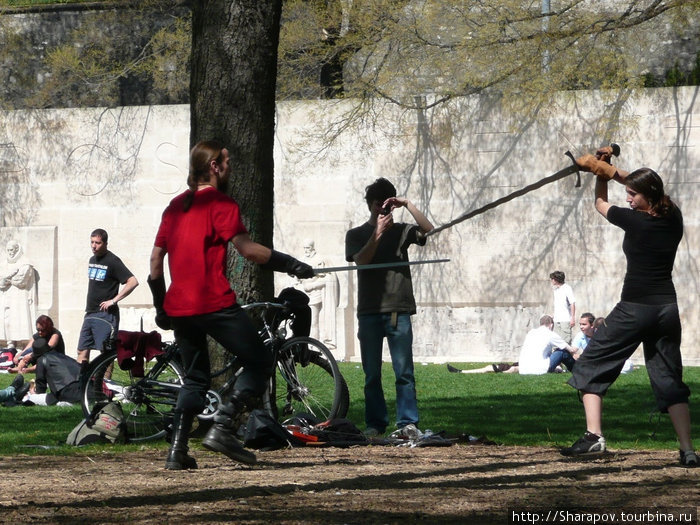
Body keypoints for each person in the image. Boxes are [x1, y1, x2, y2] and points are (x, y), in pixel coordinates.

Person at [148, 140, 315, 470]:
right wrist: (292, 264)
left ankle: (177, 452)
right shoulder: (220, 204)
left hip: (181, 308)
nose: (230, 168)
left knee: (195, 380)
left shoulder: (174, 207)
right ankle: (223, 428)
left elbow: (155, 261)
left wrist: (160, 306)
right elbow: (249, 250)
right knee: (261, 360)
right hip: (212, 303)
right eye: (227, 162)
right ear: (214, 167)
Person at [561, 150, 697, 467]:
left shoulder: (633, 221)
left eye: (633, 195)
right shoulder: (672, 216)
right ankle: (688, 450)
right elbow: (645, 186)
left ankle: (594, 437)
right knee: (669, 378)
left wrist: (600, 175)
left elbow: (599, 204)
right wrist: (608, 168)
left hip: (634, 309)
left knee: (589, 364)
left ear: (646, 196)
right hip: (666, 310)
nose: (629, 199)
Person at [344, 177, 434, 438]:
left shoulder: (402, 231)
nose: (381, 210)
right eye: (377, 205)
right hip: (369, 312)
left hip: (398, 309)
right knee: (371, 374)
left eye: (385, 205)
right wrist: (378, 233)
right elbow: (361, 261)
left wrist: (407, 204)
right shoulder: (356, 234)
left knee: (404, 371)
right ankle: (375, 424)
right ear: (370, 205)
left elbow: (428, 228)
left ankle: (408, 422)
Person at [77, 229, 139, 365]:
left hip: (106, 314)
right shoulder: (92, 260)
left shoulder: (113, 261)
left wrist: (113, 300)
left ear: (105, 243)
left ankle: (103, 384)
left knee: (105, 353)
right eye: (92, 242)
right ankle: (82, 383)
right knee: (82, 350)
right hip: (90, 312)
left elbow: (133, 282)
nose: (94, 246)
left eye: (97, 243)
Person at [293, 238, 339, 344]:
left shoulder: (320, 260)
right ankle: (302, 344)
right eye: (304, 248)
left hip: (315, 295)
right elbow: (296, 279)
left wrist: (312, 286)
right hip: (301, 294)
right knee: (301, 321)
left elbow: (328, 278)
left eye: (308, 248)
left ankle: (313, 345)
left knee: (313, 322)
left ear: (313, 247)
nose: (306, 250)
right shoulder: (302, 259)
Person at [0, 240, 38, 346]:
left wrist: (8, 279)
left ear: (17, 249)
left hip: (19, 297)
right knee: (6, 320)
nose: (10, 252)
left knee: (18, 320)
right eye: (8, 250)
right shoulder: (4, 263)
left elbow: (21, 279)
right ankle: (9, 343)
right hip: (6, 296)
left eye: (12, 250)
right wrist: (6, 279)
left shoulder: (25, 263)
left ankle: (21, 345)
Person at [21, 339, 81, 406]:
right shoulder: (64, 357)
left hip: (67, 393)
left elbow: (41, 384)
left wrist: (34, 393)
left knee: (31, 397)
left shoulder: (42, 360)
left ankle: (66, 402)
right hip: (86, 390)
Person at [549, 270, 576, 344]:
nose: (551, 280)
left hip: (565, 319)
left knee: (566, 342)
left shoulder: (567, 288)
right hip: (556, 320)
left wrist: (572, 318)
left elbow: (572, 303)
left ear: (556, 279)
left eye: (552, 279)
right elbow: (558, 305)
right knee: (556, 342)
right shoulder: (556, 290)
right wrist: (553, 315)